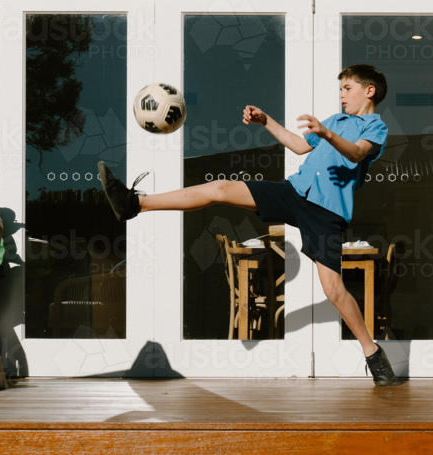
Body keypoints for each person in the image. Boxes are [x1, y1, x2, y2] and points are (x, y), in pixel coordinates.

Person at [97, 63, 397, 386]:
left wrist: (326, 133)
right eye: (339, 90)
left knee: (333, 290)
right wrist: (266, 120)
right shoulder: (337, 120)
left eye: (347, 89)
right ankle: (134, 204)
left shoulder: (375, 127)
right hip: (294, 191)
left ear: (370, 91)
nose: (341, 96)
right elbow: (299, 145)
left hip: (326, 213)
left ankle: (373, 355)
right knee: (220, 188)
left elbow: (355, 154)